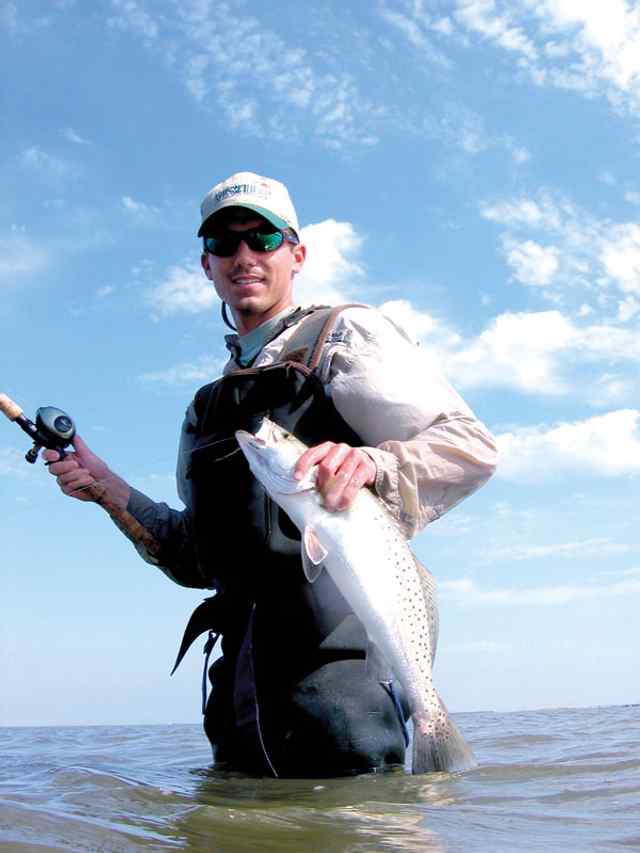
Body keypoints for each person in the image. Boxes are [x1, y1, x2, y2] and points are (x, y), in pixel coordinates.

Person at [45, 171, 497, 777]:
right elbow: (196, 559)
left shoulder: (341, 337)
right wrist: (107, 488)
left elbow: (468, 446)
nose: (244, 256)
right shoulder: (206, 407)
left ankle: (432, 733)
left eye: (262, 238)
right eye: (223, 243)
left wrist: (374, 462)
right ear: (206, 265)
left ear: (296, 254)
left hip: (345, 715)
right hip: (240, 727)